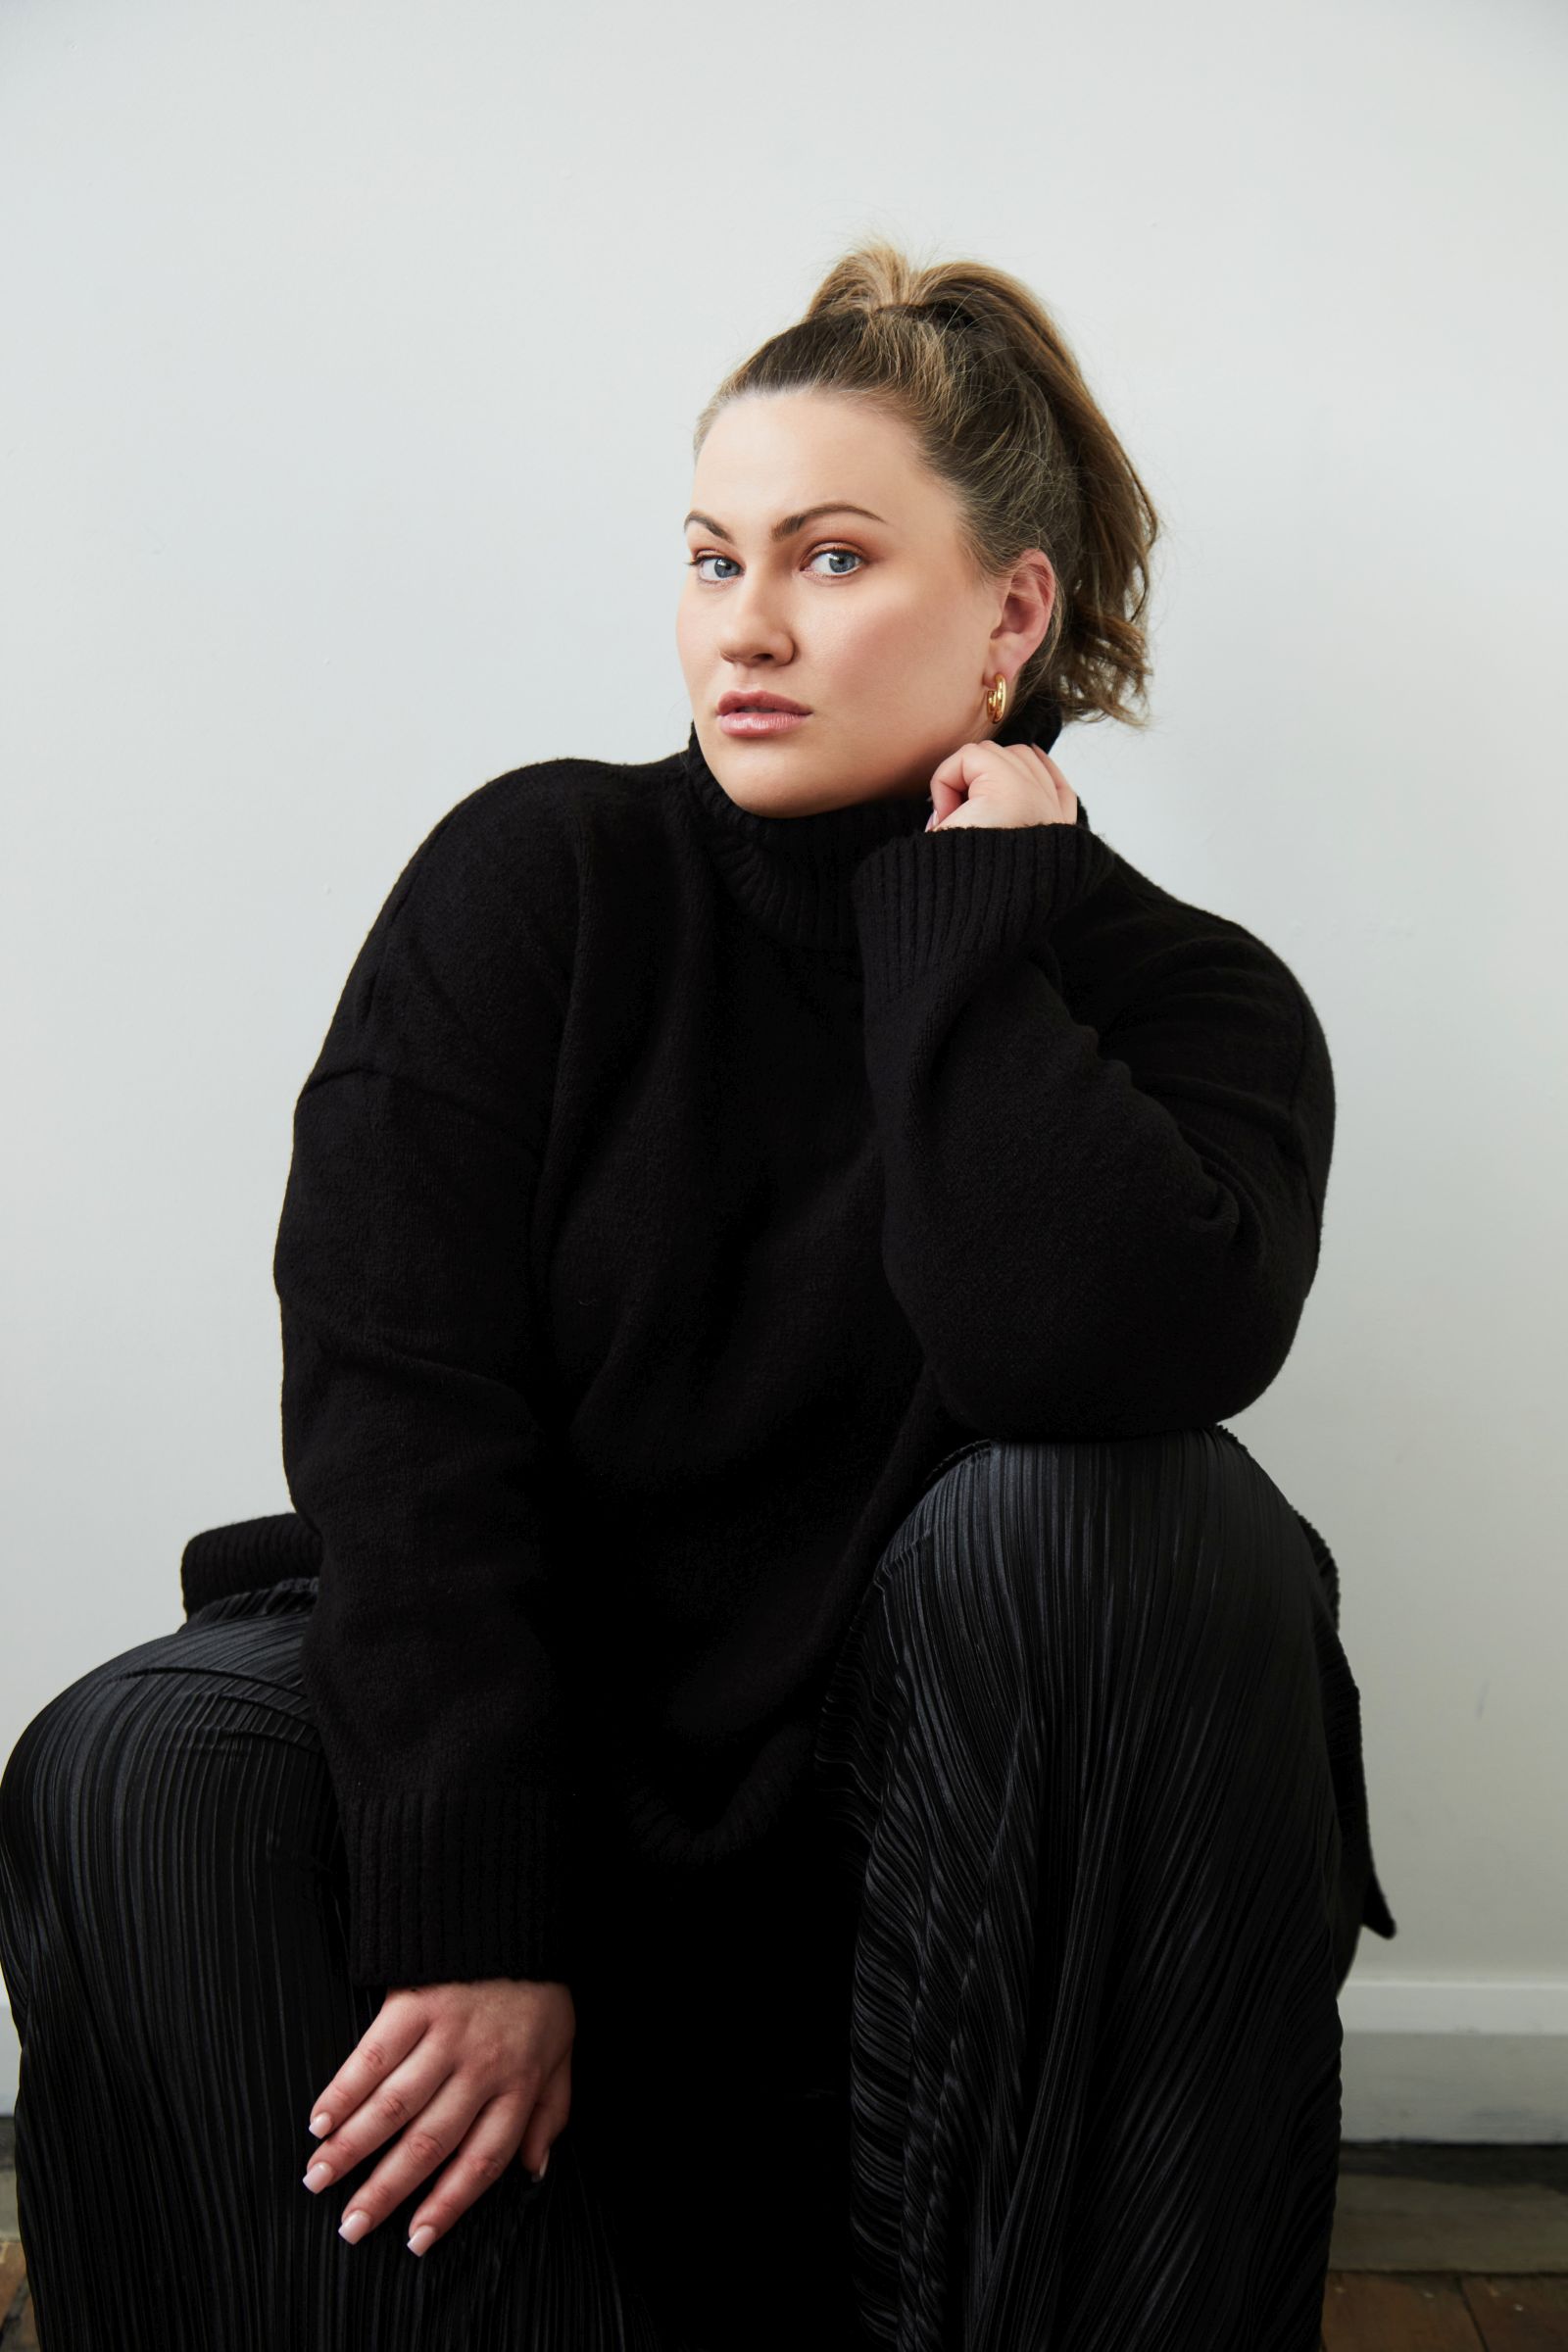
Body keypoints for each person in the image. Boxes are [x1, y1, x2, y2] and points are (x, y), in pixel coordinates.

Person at [0, 236, 1396, 2352]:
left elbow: (1082, 1361)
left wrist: (963, 927)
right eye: (708, 555)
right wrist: (474, 1906)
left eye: (830, 561)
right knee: (134, 1756)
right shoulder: (540, 881)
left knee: (1119, 1524)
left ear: (1008, 614)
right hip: (561, 1729)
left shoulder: (1181, 1001)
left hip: (933, 1828)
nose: (740, 628)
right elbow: (401, 1410)